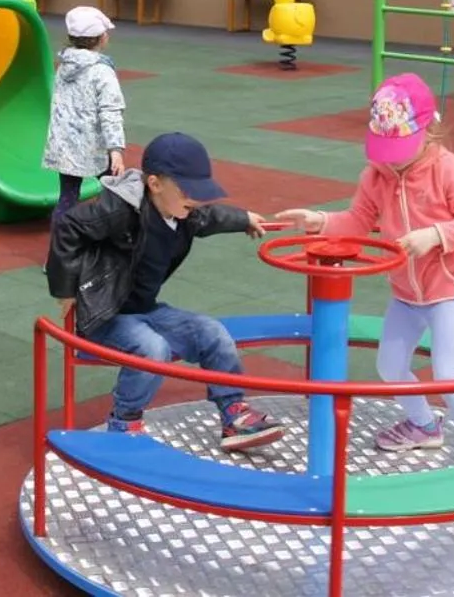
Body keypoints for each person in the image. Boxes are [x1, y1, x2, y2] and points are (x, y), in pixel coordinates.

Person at [277, 73, 454, 461]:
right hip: (407, 292)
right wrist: (319, 220)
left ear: (428, 133)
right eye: (385, 147)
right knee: (390, 365)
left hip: (450, 290)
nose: (391, 158)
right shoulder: (376, 175)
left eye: (400, 147)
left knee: (448, 374)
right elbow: (358, 221)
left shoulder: (448, 170)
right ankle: (425, 426)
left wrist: (435, 236)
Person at [46, 132, 285, 451]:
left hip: (144, 308)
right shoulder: (120, 210)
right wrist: (66, 291)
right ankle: (123, 422)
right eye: (189, 192)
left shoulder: (182, 212)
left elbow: (208, 218)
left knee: (213, 332)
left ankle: (233, 415)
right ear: (155, 184)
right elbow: (68, 227)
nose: (197, 200)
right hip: (105, 315)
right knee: (152, 350)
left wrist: (242, 219)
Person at [42, 5, 126, 223]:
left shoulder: (64, 65)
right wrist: (115, 149)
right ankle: (110, 235)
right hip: (92, 145)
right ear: (101, 38)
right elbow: (110, 110)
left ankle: (60, 248)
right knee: (117, 191)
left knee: (67, 198)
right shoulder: (102, 71)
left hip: (66, 144)